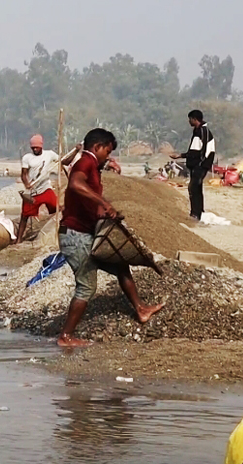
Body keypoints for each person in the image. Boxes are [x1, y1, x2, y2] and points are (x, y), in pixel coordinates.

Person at [56, 128, 163, 347]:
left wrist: (105, 211)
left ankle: (141, 309)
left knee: (121, 265)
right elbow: (75, 184)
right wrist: (104, 203)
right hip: (75, 236)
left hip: (84, 234)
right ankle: (65, 336)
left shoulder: (93, 166)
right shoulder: (85, 161)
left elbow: (88, 201)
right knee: (86, 287)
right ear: (97, 147)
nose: (109, 156)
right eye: (108, 151)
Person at [15, 135, 82, 243]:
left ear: (41, 146)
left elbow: (65, 161)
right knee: (24, 216)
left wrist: (75, 151)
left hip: (45, 189)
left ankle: (62, 231)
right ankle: (19, 239)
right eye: (33, 148)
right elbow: (23, 174)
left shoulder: (49, 154)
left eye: (37, 147)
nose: (35, 149)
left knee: (57, 208)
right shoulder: (27, 158)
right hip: (32, 192)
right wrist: (27, 184)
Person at [170, 109, 215, 221]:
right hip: (202, 164)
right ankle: (199, 212)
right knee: (197, 188)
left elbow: (195, 152)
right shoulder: (202, 131)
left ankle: (195, 214)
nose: (189, 121)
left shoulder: (201, 132)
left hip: (200, 165)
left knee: (193, 188)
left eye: (190, 119)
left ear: (195, 119)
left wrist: (180, 155)